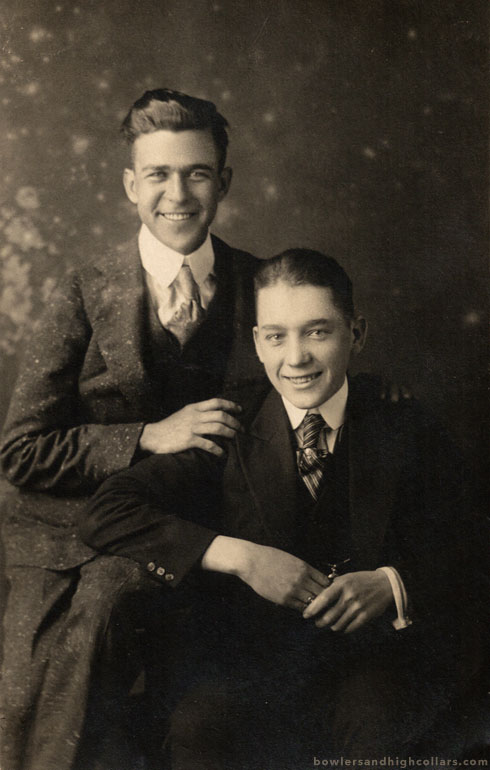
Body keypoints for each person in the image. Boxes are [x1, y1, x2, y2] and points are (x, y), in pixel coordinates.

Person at [83, 249, 473, 768]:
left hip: (371, 663)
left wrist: (391, 583)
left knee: (383, 722)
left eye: (317, 332)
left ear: (356, 334)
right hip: (250, 663)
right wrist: (242, 557)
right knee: (199, 728)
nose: (296, 358)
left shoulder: (402, 423)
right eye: (276, 336)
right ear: (257, 343)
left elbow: (469, 540)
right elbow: (108, 510)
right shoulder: (228, 425)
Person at [0, 88, 263, 770]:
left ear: (224, 182)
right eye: (158, 175)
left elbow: (314, 373)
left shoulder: (262, 285)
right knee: (34, 702)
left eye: (197, 173)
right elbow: (20, 451)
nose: (178, 194)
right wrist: (147, 434)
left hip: (194, 536)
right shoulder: (84, 290)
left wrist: (381, 394)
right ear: (129, 185)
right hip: (64, 541)